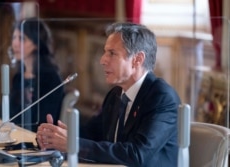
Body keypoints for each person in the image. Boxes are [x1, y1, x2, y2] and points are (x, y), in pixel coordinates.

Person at [36, 22, 181, 167]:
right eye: (105, 52)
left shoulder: (162, 98)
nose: (102, 60)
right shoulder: (116, 94)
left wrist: (73, 143)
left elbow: (137, 154)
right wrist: (56, 135)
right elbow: (92, 133)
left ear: (137, 59)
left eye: (112, 53)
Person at [9, 18, 65, 132]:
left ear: (37, 43)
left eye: (22, 39)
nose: (14, 44)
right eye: (14, 38)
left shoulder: (50, 78)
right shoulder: (18, 77)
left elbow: (44, 121)